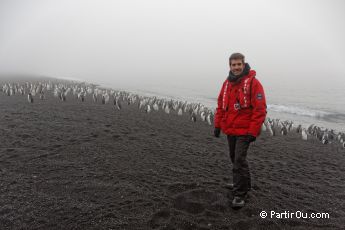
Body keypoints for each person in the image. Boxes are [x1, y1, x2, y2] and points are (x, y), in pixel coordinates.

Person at [214, 53, 267, 209]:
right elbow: (220, 106)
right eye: (233, 65)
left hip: (245, 130)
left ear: (244, 64)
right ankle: (243, 184)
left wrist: (253, 131)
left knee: (238, 160)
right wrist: (217, 125)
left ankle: (239, 194)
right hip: (231, 129)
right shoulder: (227, 84)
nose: (236, 67)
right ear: (229, 66)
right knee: (235, 158)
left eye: (239, 64)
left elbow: (260, 109)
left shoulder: (253, 83)